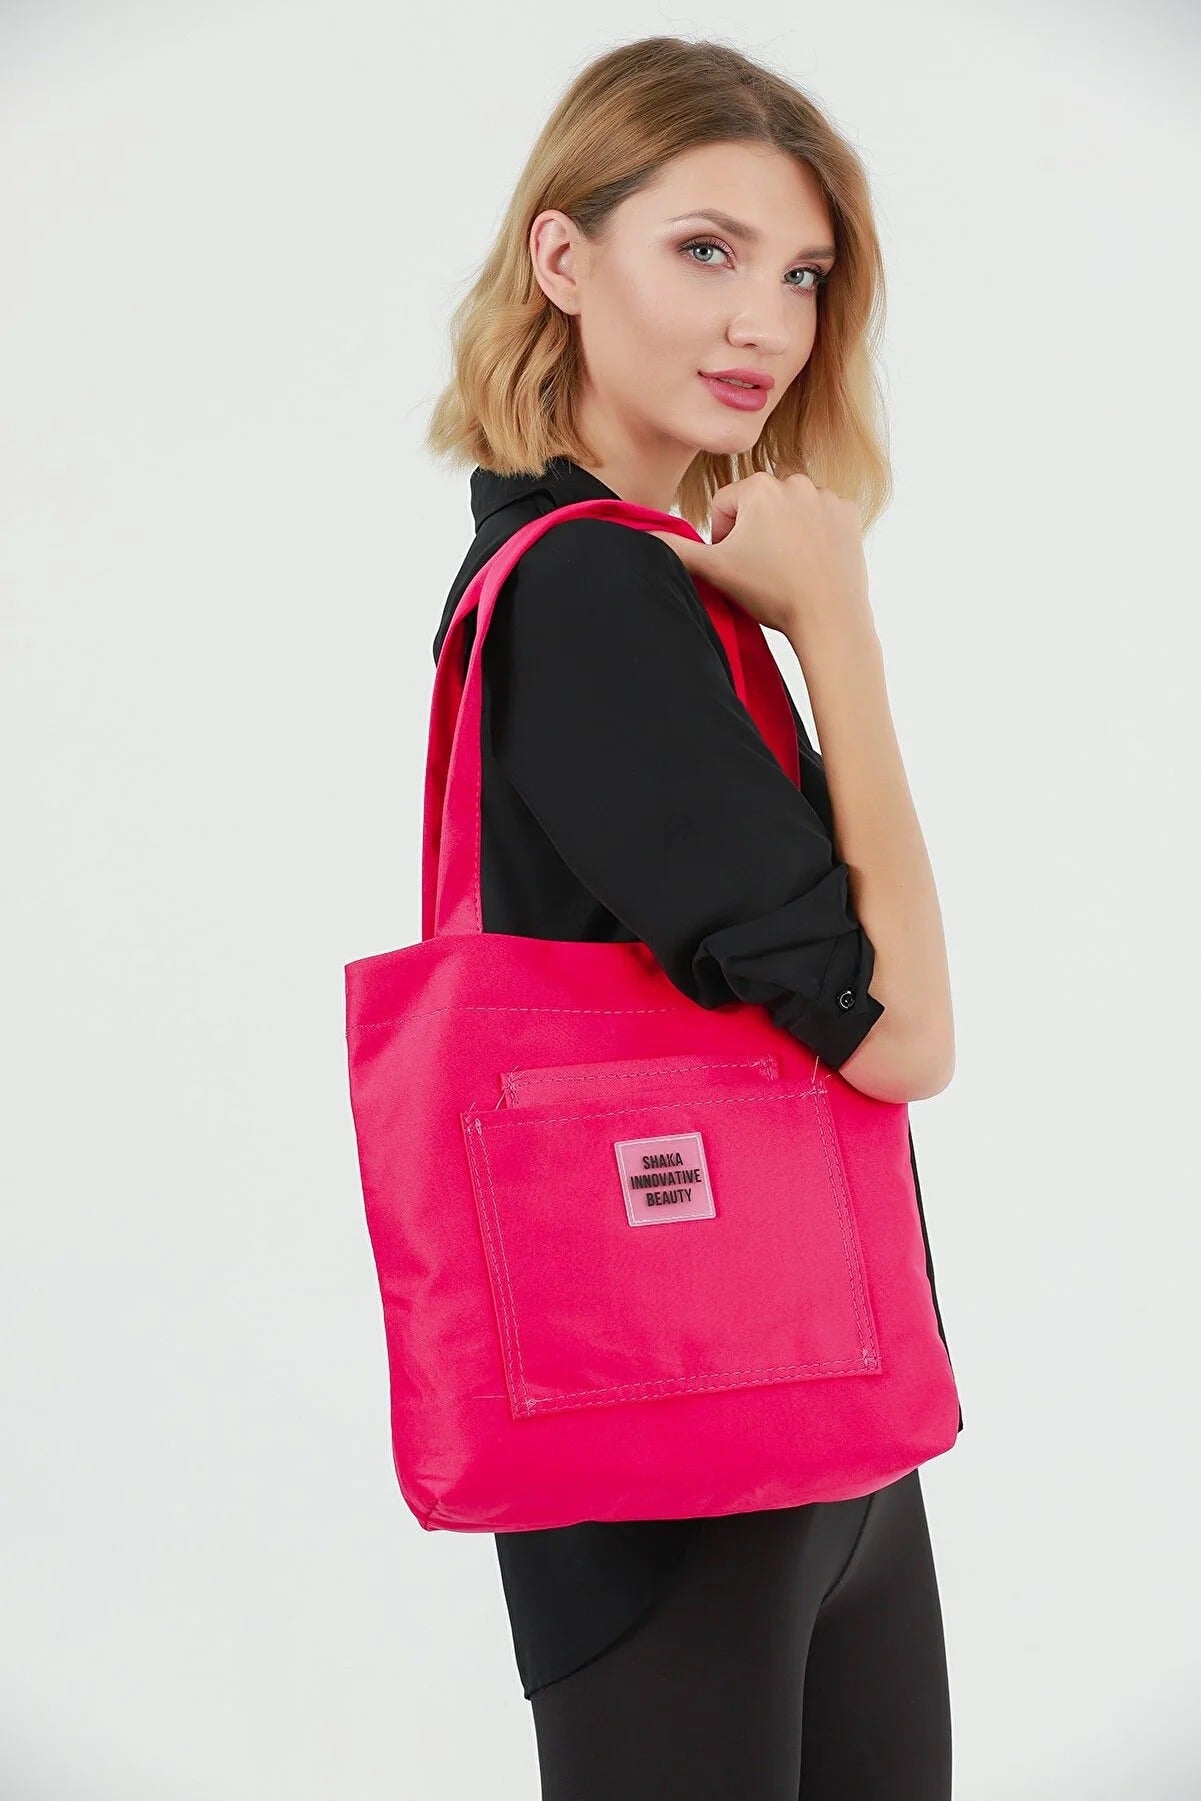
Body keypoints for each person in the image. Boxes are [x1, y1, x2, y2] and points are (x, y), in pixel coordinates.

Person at [426, 34, 961, 1800]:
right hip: (675, 1459)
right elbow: (899, 1035)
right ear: (563, 259)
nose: (763, 323)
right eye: (705, 250)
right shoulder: (584, 587)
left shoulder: (669, 581)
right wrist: (839, 624)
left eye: (800, 274)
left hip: (822, 1422)